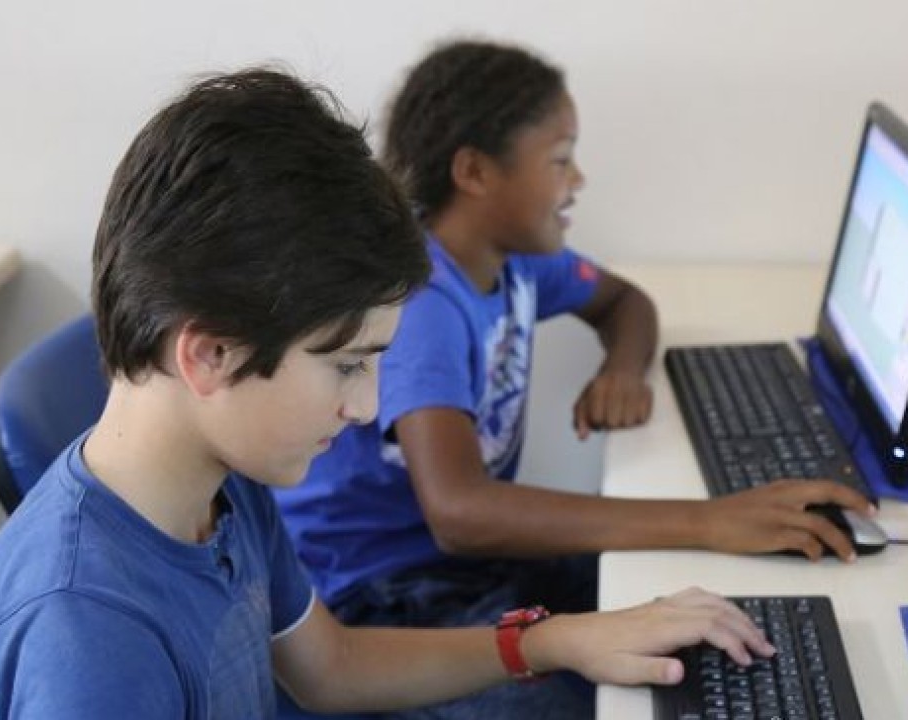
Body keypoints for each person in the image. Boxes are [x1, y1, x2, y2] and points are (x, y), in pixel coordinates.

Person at [0, 68, 776, 719]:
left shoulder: (221, 485)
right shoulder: (90, 633)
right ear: (211, 355)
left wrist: (551, 640)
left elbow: (328, 669)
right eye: (345, 365)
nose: (368, 407)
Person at [274, 39, 875, 718]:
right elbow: (460, 514)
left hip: (469, 566)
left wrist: (621, 369)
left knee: (700, 618)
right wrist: (708, 520)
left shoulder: (514, 258)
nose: (578, 180)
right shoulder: (423, 301)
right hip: (384, 596)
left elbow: (626, 302)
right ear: (474, 172)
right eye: (560, 160)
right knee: (607, 694)